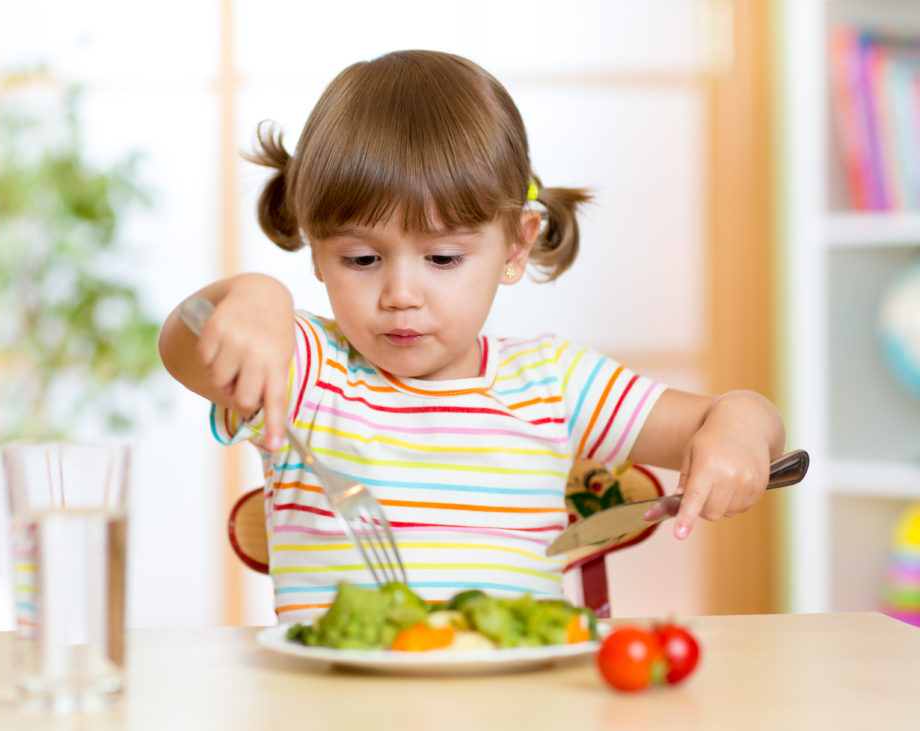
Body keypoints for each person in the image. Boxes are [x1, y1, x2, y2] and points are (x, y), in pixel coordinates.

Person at [159, 50, 785, 622]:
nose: (401, 293)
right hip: (336, 706)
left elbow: (728, 416)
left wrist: (742, 432)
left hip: (515, 704)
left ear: (517, 244)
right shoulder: (305, 371)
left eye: (443, 259)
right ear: (316, 251)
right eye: (361, 260)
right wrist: (252, 298)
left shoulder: (554, 382)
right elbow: (184, 347)